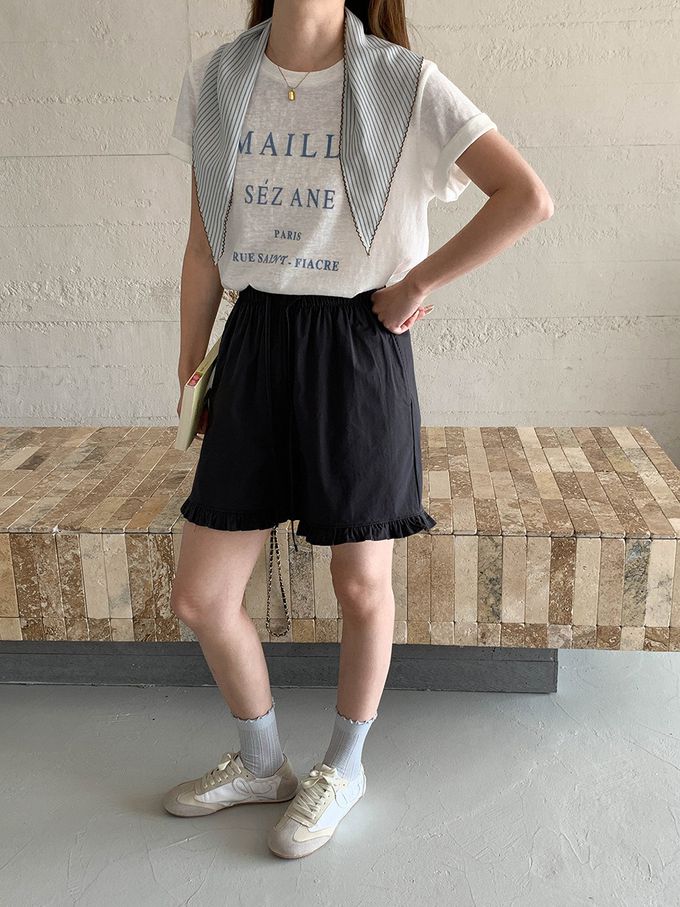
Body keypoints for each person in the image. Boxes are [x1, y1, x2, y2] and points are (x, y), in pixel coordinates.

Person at [163, 0, 553, 860]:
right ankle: (262, 762)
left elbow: (526, 196)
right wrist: (190, 365)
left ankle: (344, 766)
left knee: (362, 584)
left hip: (356, 344)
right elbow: (202, 245)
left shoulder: (405, 83)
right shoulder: (218, 80)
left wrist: (417, 283)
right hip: (254, 338)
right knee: (201, 594)